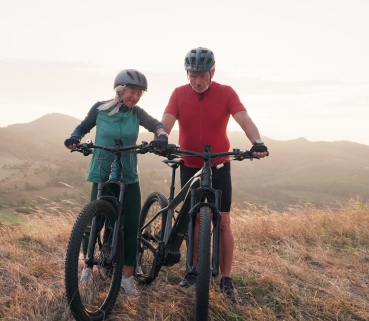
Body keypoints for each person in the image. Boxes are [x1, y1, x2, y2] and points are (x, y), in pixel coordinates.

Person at [160, 47, 268, 302]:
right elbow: (166, 120)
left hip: (218, 164)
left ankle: (226, 278)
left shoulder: (226, 92)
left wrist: (258, 141)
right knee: (196, 221)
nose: (197, 82)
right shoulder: (178, 93)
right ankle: (194, 271)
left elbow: (244, 119)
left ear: (212, 72)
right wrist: (162, 137)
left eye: (202, 76)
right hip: (189, 163)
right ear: (187, 74)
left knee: (225, 222)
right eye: (192, 76)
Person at [64, 69, 168, 297]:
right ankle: (87, 267)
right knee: (92, 222)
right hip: (101, 170)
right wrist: (75, 138)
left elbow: (155, 123)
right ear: (120, 91)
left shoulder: (137, 113)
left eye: (140, 93)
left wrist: (161, 136)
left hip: (128, 174)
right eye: (132, 92)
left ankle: (127, 278)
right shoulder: (100, 108)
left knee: (131, 226)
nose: (136, 97)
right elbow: (83, 126)